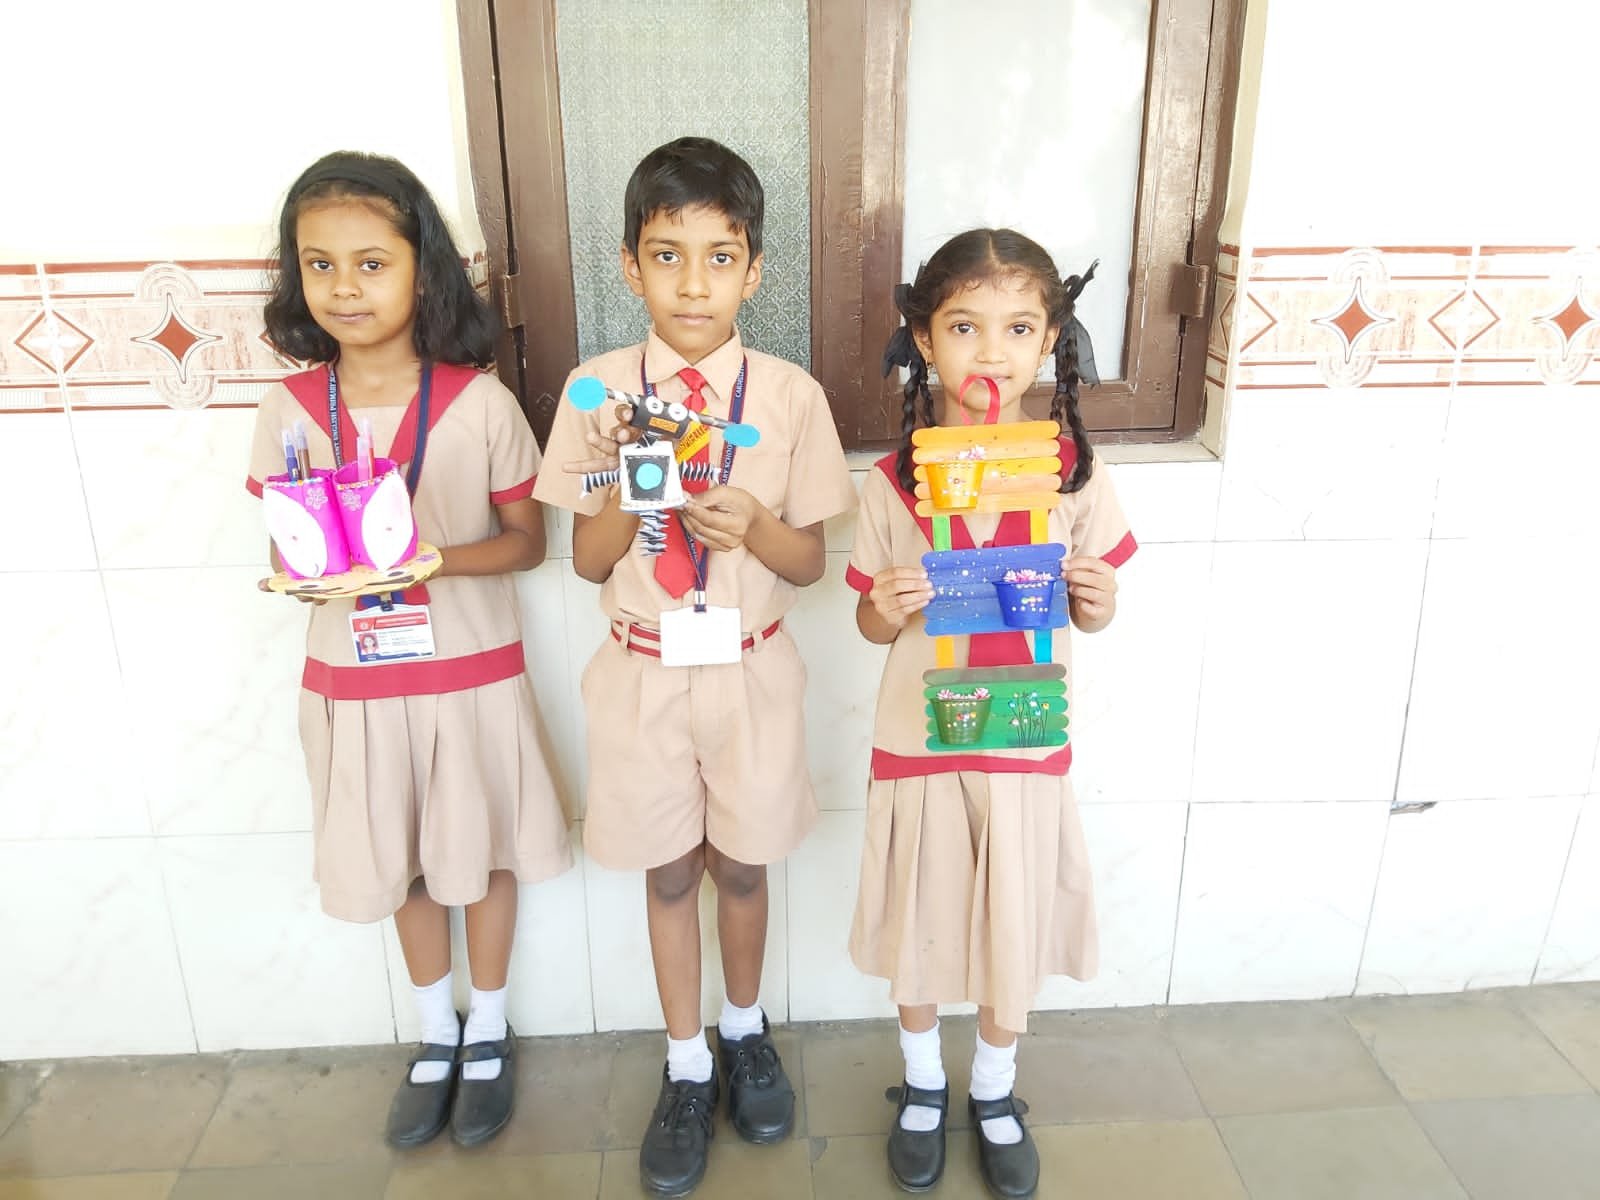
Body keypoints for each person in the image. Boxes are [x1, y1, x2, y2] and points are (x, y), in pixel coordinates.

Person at [534, 136, 855, 1197]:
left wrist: (754, 523)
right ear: (629, 266)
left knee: (744, 866)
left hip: (751, 670)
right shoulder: (593, 391)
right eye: (666, 256)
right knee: (670, 871)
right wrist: (628, 482)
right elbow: (588, 563)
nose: (692, 283)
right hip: (640, 673)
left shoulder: (790, 395)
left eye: (720, 258)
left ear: (754, 271)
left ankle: (744, 1031)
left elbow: (807, 564)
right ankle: (684, 1064)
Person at [246, 151, 571, 1150]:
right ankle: (437, 1032)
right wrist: (301, 572)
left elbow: (527, 543)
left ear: (422, 272)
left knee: (485, 847)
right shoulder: (289, 410)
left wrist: (435, 561)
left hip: (469, 675)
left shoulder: (479, 403)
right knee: (404, 859)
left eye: (371, 263)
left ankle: (491, 1031)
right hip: (353, 681)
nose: (345, 287)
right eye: (320, 264)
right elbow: (285, 545)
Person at [845, 228, 1137, 1198]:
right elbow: (866, 620)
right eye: (964, 326)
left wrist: (1096, 600)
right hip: (919, 738)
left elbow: (1094, 609)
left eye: (1017, 328)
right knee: (923, 917)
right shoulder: (893, 479)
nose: (991, 351)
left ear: (1050, 340)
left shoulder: (1073, 470)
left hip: (1022, 739)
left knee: (1013, 920)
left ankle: (995, 1087)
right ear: (925, 340)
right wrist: (883, 604)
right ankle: (924, 1085)